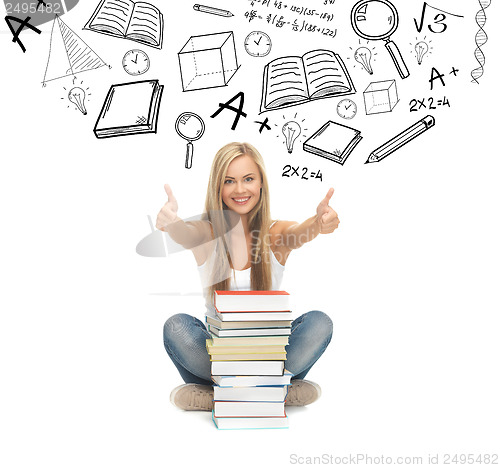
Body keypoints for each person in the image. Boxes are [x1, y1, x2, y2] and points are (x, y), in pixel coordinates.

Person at [157, 142, 339, 411]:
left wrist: (319, 222)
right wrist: (172, 225)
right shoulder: (207, 233)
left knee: (319, 322)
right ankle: (276, 393)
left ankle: (215, 398)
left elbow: (301, 232)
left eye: (248, 179)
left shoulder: (275, 233)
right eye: (229, 181)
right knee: (175, 327)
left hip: (269, 357)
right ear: (218, 187)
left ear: (261, 183)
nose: (240, 189)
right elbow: (186, 233)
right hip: (218, 359)